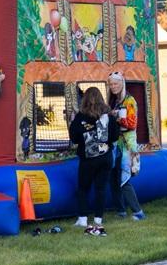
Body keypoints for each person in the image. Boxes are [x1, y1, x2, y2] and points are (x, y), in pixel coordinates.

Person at [69, 87, 119, 236]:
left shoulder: (81, 116)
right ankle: (98, 219)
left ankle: (83, 218)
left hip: (88, 159)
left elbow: (74, 138)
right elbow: (115, 136)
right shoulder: (108, 116)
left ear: (85, 100)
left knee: (83, 188)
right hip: (105, 158)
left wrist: (72, 122)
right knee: (101, 189)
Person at [107, 72, 146, 220]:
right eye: (111, 84)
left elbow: (131, 124)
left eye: (115, 83)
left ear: (122, 83)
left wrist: (115, 116)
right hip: (115, 143)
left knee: (123, 179)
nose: (113, 86)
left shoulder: (129, 101)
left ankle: (138, 212)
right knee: (113, 177)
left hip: (126, 145)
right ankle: (121, 211)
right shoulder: (114, 101)